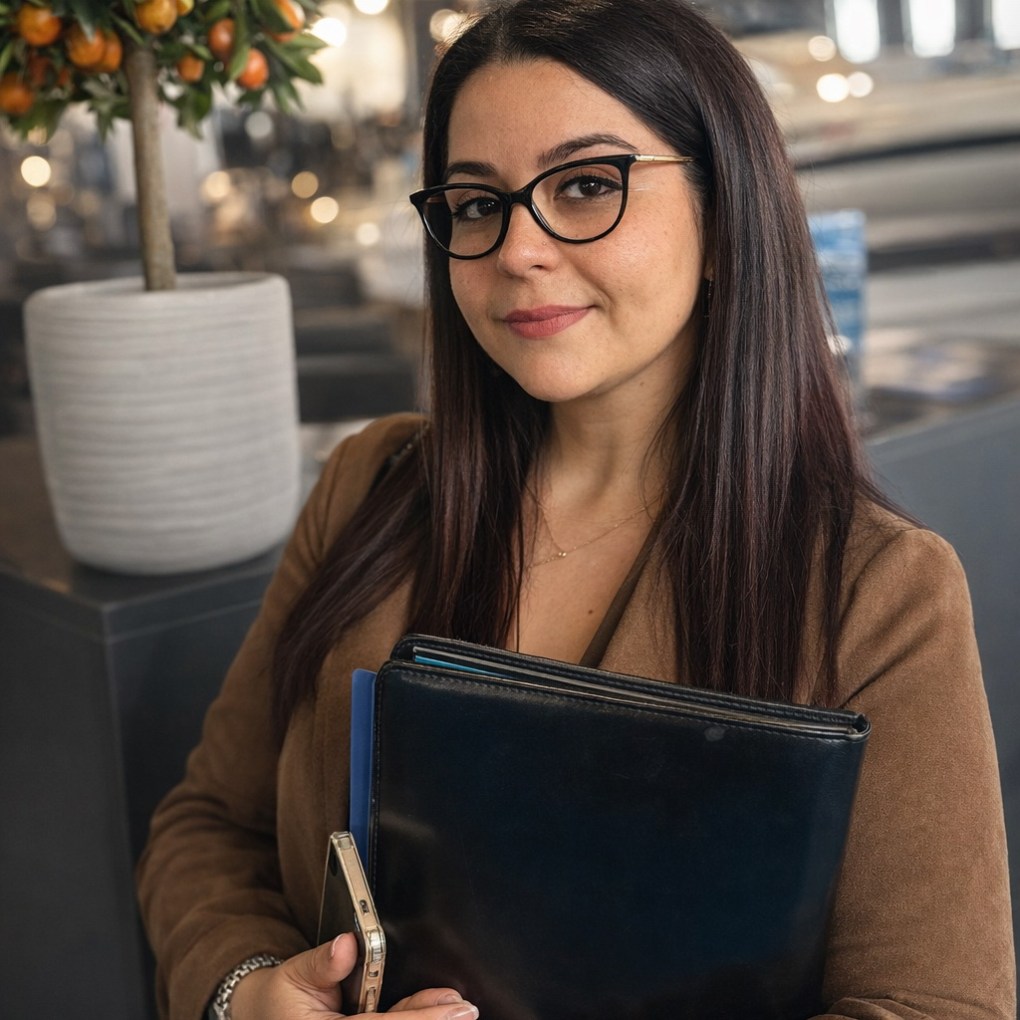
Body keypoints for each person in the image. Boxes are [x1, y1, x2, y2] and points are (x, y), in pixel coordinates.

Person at [136, 0, 1015, 1017]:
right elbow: (209, 825)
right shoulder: (374, 490)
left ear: (726, 219)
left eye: (588, 185)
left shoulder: (876, 588)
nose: (519, 249)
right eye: (476, 203)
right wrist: (247, 992)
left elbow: (935, 1003)